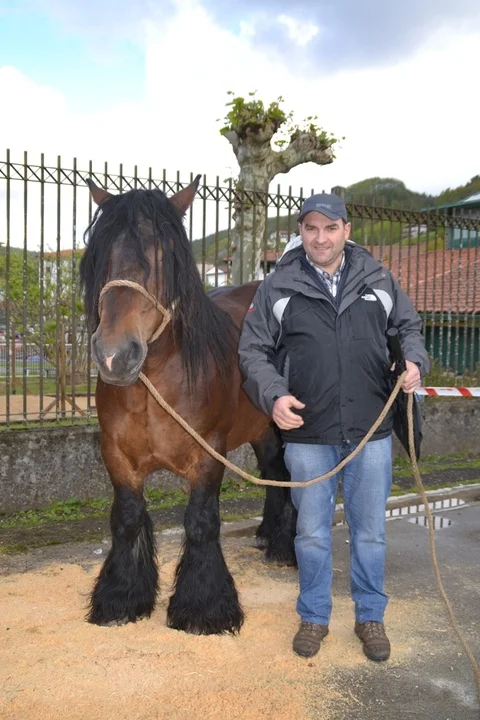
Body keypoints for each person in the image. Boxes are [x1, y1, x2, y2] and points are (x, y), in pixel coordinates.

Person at [238, 193, 429, 661]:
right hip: (308, 434)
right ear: (301, 232)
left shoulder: (379, 279)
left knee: (370, 533)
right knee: (311, 534)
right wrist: (274, 395)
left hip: (370, 432)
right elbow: (253, 351)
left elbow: (409, 328)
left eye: (329, 228)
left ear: (346, 230)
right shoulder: (278, 287)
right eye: (311, 228)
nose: (320, 238)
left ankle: (370, 616)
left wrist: (414, 361)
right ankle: (314, 616)